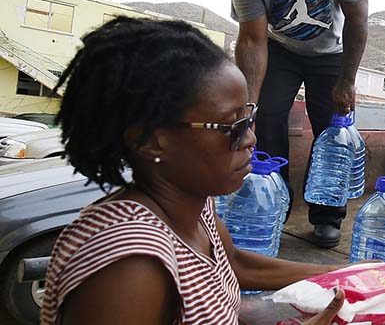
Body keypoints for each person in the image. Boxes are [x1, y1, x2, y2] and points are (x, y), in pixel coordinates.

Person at [39, 17, 348, 324]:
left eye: (248, 118)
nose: (250, 139)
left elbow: (234, 265)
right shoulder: (130, 266)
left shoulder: (192, 206)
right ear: (150, 141)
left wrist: (355, 273)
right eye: (232, 126)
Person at [230, 0, 369, 248]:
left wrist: (348, 79)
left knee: (331, 126)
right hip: (279, 48)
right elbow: (252, 39)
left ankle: (327, 216)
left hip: (330, 50)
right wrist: (248, 104)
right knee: (267, 114)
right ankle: (274, 202)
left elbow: (357, 19)